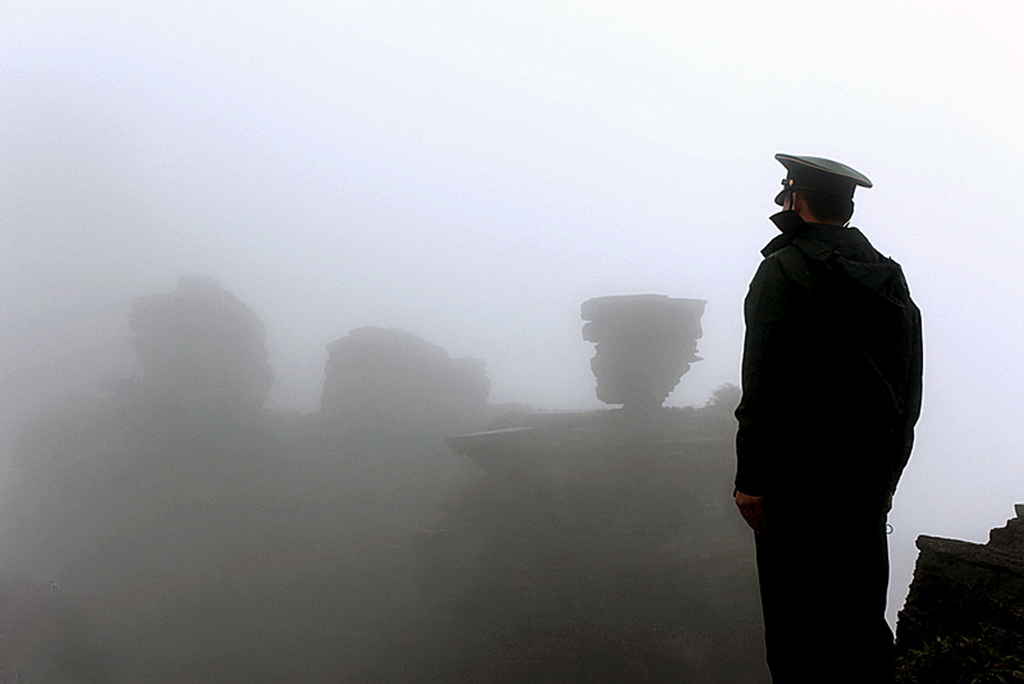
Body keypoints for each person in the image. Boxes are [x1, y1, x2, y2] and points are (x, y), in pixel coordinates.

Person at [733, 154, 923, 682]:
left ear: (794, 199)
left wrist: (751, 477)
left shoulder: (783, 270)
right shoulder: (889, 275)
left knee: (796, 627)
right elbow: (910, 385)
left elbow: (763, 381)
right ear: (846, 207)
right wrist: (891, 475)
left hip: (796, 482)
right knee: (860, 621)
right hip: (865, 480)